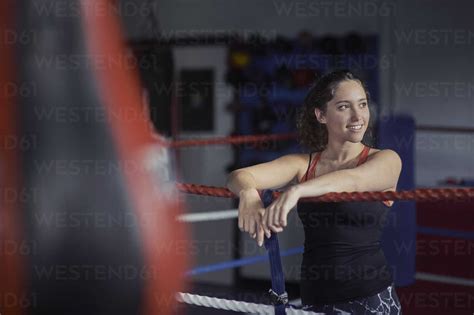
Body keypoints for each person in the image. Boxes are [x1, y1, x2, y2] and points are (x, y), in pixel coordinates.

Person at [227, 70, 402, 314]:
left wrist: (297, 191)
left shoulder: (386, 159)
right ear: (321, 115)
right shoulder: (304, 164)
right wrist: (248, 194)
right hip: (315, 296)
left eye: (362, 104)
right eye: (344, 106)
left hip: (370, 297)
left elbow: (353, 180)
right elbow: (240, 176)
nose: (357, 115)